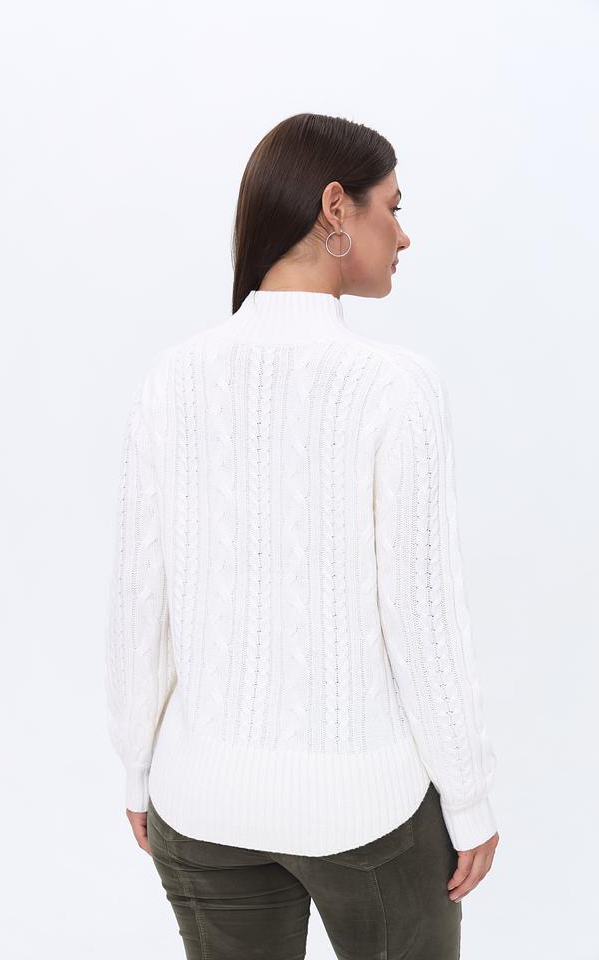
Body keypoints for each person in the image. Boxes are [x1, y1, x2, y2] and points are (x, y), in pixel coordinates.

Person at [104, 112, 500, 960]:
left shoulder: (171, 379)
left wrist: (137, 767)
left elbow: (140, 601)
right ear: (335, 208)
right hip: (367, 813)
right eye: (393, 207)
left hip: (198, 807)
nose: (404, 234)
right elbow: (423, 617)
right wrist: (468, 800)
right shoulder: (395, 386)